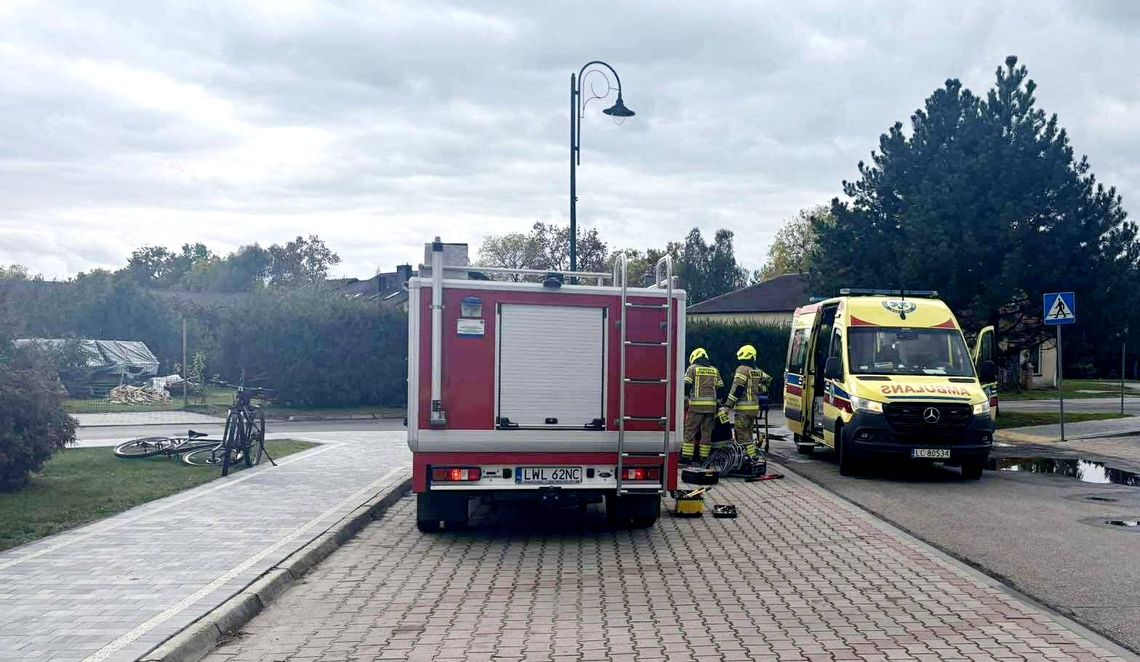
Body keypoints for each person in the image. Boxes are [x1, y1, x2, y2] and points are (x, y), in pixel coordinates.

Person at [725, 344, 772, 459]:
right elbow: (768, 379)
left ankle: (751, 455)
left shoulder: (742, 369)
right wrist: (760, 389)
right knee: (748, 433)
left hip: (743, 408)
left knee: (741, 433)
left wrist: (728, 405)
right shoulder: (757, 371)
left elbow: (737, 388)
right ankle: (746, 457)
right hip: (754, 408)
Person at [683, 347, 723, 464]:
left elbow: (686, 384)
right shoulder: (714, 370)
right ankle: (704, 458)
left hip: (696, 406)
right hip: (711, 407)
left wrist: (685, 399)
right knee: (707, 433)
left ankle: (687, 457)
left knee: (690, 431)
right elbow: (720, 387)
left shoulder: (692, 368)